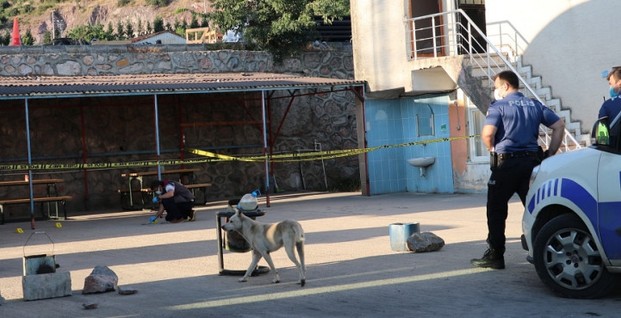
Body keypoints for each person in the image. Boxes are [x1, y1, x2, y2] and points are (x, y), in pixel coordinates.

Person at [471, 70, 565, 269]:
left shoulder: (499, 106)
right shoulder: (534, 105)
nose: (496, 91)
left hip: (506, 165)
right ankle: (552, 251)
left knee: (496, 210)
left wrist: (492, 150)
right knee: (537, 208)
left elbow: (488, 134)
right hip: (532, 163)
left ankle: (496, 255)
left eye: (497, 87)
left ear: (505, 86)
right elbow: (558, 125)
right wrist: (550, 153)